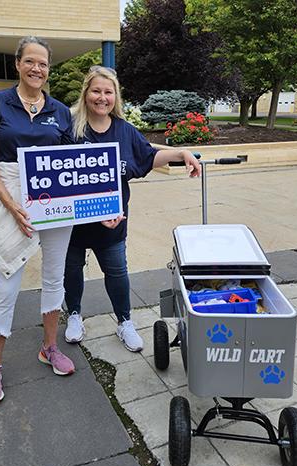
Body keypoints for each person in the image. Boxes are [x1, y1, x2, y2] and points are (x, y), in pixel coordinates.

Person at [64, 67, 200, 351]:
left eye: (108, 92)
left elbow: (149, 155)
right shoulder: (70, 129)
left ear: (116, 97)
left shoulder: (124, 131)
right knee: (72, 271)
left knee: (117, 273)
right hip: (74, 223)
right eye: (96, 91)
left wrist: (181, 153)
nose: (102, 97)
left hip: (113, 222)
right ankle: (74, 315)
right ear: (86, 93)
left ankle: (124, 321)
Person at [0, 36, 76, 405]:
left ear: (49, 69)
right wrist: (9, 203)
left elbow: (71, 163)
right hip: (12, 199)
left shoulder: (60, 111)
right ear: (17, 63)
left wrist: (103, 203)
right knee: (7, 281)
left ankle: (49, 347)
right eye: (30, 61)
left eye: (44, 64)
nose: (37, 69)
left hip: (55, 206)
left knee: (54, 276)